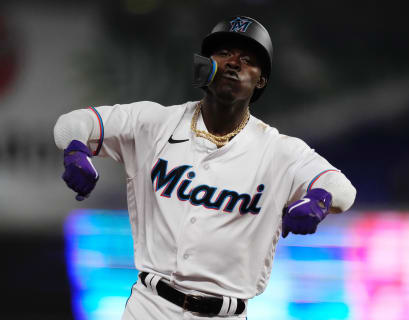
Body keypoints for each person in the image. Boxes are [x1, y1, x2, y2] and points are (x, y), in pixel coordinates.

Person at [54, 16, 356, 320]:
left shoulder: (279, 151)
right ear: (204, 64)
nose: (234, 63)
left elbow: (342, 188)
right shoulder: (153, 123)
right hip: (150, 307)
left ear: (261, 80)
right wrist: (76, 150)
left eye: (248, 60)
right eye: (224, 54)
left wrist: (318, 201)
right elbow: (73, 124)